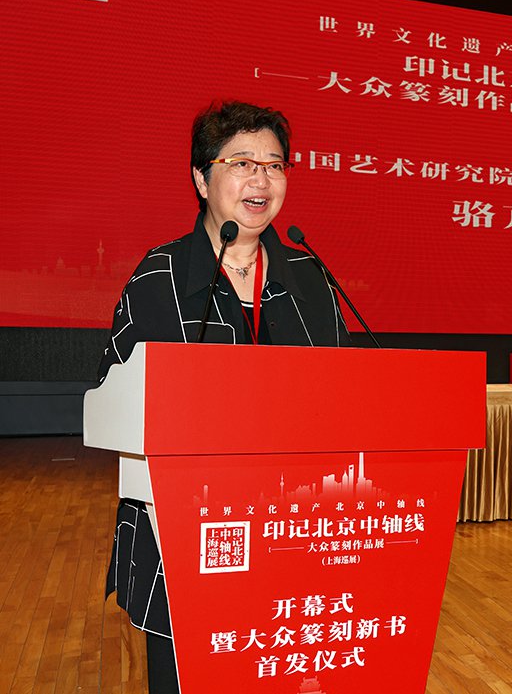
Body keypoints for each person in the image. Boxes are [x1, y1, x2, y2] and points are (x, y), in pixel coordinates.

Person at [97, 101, 351, 692]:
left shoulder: (311, 281)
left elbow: (347, 392)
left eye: (274, 164)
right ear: (200, 177)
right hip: (184, 534)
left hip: (297, 531)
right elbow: (114, 400)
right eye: (241, 163)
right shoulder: (159, 277)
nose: (261, 178)